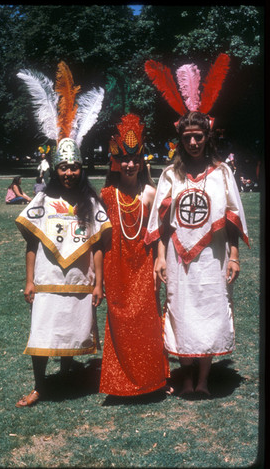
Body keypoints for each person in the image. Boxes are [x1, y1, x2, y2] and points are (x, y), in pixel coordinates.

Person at [145, 55, 249, 396]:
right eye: (188, 137)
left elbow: (232, 219)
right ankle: (186, 377)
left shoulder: (222, 174)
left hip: (212, 256)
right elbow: (161, 223)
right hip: (177, 256)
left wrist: (233, 256)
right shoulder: (170, 175)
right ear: (180, 138)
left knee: (210, 307)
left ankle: (203, 380)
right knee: (181, 310)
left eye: (198, 136)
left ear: (207, 136)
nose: (193, 142)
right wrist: (160, 257)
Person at [15, 60, 106, 407]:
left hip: (80, 279)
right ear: (56, 168)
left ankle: (68, 374)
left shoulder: (90, 201)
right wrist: (29, 280)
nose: (69, 172)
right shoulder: (42, 199)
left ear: (81, 168)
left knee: (73, 327)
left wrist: (97, 282)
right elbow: (31, 242)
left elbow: (97, 242)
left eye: (74, 167)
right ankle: (40, 385)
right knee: (43, 329)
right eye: (63, 167)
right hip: (48, 277)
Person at [99, 114, 170, 397]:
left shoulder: (151, 194)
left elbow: (160, 233)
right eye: (124, 160)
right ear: (116, 162)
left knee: (147, 322)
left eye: (135, 159)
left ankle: (153, 379)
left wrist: (158, 263)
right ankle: (122, 383)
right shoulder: (106, 195)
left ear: (142, 162)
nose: (129, 165)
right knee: (120, 322)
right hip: (115, 265)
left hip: (144, 264)